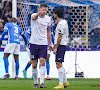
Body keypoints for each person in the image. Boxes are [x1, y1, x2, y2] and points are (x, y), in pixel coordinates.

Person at [30, 3, 52, 88]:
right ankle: (36, 82)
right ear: (39, 9)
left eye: (46, 10)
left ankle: (42, 83)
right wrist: (37, 14)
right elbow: (33, 17)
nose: (45, 12)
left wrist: (50, 43)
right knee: (34, 64)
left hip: (43, 44)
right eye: (43, 10)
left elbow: (48, 31)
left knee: (43, 61)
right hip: (34, 43)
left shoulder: (48, 19)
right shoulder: (34, 16)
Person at [53, 8, 70, 89]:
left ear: (56, 14)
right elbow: (67, 33)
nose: (53, 15)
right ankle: (65, 82)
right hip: (63, 44)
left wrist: (56, 47)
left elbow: (59, 37)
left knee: (58, 64)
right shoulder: (64, 22)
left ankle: (61, 84)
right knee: (59, 64)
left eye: (54, 13)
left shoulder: (60, 24)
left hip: (61, 45)